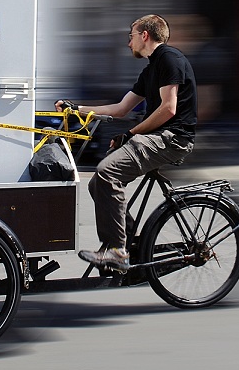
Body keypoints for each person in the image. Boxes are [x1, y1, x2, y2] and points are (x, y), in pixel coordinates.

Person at [55, 14, 197, 272]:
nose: (128, 43)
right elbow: (120, 108)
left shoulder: (169, 58)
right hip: (154, 138)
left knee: (107, 173)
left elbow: (168, 109)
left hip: (172, 138)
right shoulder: (150, 69)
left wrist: (131, 134)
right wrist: (77, 109)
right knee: (98, 183)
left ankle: (117, 251)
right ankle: (128, 244)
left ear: (145, 35)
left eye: (130, 36)